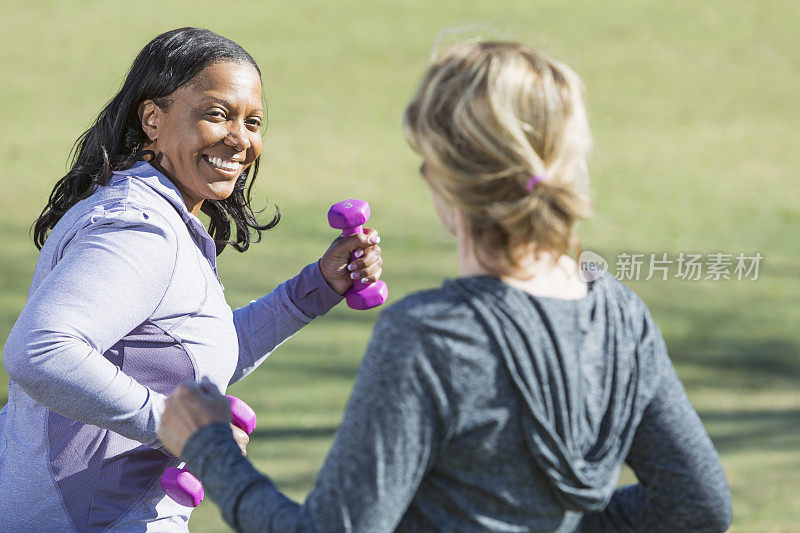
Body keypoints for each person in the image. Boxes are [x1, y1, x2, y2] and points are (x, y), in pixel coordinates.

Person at [156, 41, 733, 532]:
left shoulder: (433, 336)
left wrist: (209, 447)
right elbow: (697, 504)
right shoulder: (620, 316)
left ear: (443, 177)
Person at [0, 27, 382, 532]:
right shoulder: (137, 228)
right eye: (217, 114)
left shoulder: (157, 215)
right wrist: (180, 429)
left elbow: (193, 355)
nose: (240, 138)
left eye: (252, 121)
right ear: (153, 119)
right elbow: (39, 350)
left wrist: (316, 287)